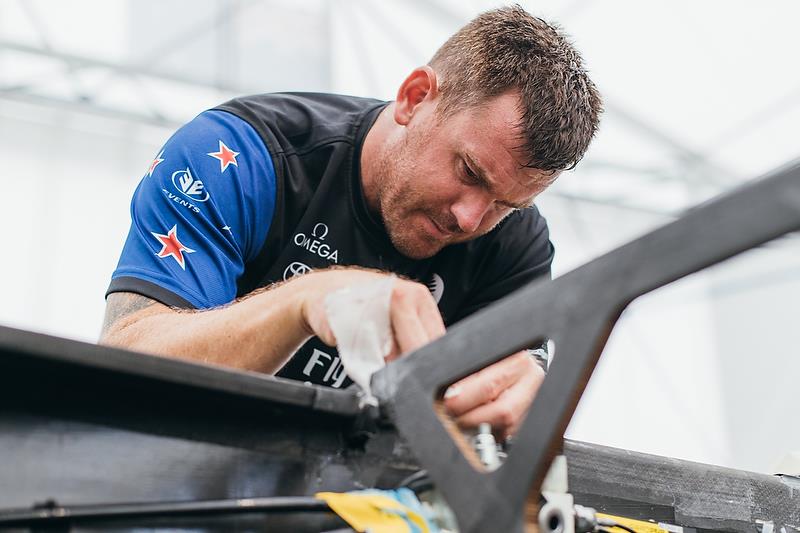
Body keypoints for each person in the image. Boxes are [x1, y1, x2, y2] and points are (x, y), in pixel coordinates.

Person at [99, 6, 601, 440]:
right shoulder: (239, 157)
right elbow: (127, 366)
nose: (470, 217)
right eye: (468, 171)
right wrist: (304, 301)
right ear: (415, 97)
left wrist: (527, 387)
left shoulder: (515, 244)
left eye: (506, 204)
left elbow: (491, 452)